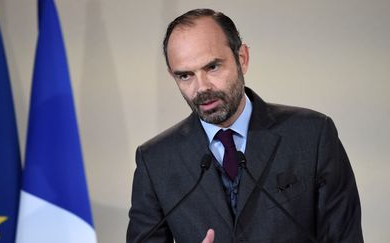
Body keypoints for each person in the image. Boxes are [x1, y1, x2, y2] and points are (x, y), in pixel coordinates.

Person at [127, 8, 363, 243]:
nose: (202, 88)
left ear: (242, 59)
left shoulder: (313, 136)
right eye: (185, 76)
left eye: (212, 67)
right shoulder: (155, 161)